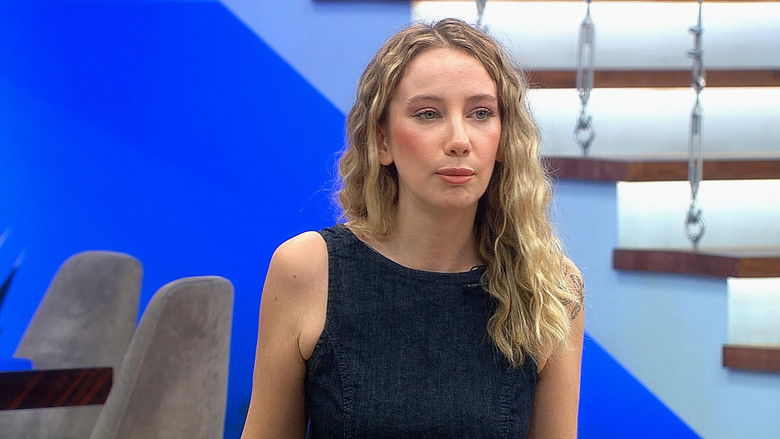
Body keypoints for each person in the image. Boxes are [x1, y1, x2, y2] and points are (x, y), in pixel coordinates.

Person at [241, 18, 584, 438]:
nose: (459, 140)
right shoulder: (307, 270)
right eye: (428, 114)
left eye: (481, 113)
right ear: (382, 141)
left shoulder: (550, 286)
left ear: (504, 136)